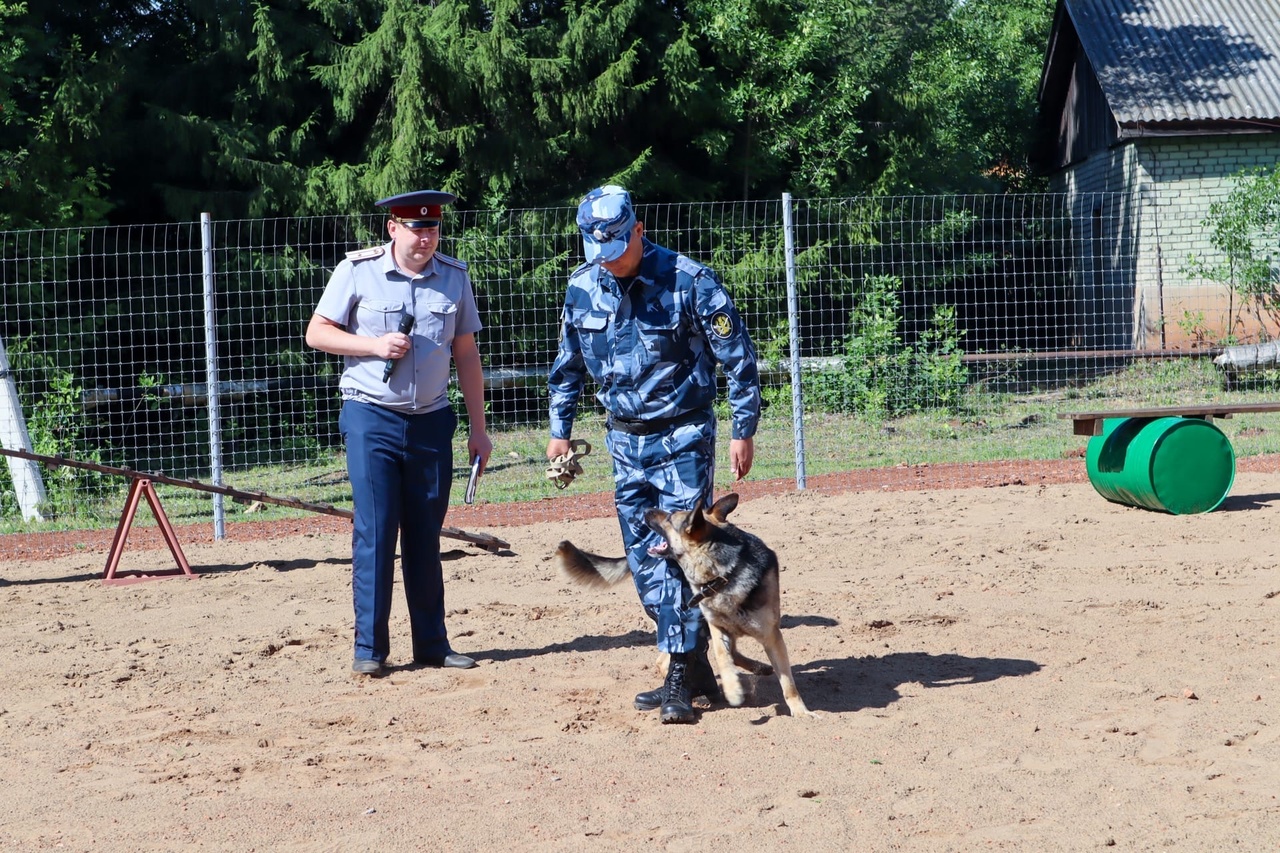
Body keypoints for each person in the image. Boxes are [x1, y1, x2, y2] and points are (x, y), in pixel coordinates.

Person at [546, 184, 763, 723]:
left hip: (683, 436)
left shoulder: (689, 281)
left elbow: (737, 358)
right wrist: (560, 428)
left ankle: (676, 683)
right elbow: (568, 364)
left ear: (639, 230)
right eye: (600, 251)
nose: (611, 260)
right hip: (624, 442)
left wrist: (744, 427)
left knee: (685, 558)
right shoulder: (582, 287)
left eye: (619, 247)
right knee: (645, 564)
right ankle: (697, 674)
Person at [306, 189, 493, 678]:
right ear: (393, 228)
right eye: (415, 227)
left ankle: (432, 644)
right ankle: (370, 647)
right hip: (372, 417)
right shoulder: (357, 270)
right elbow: (317, 332)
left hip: (432, 420)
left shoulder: (453, 277)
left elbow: (466, 354)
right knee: (376, 530)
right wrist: (372, 345)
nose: (425, 237)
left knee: (424, 536)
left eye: (432, 228)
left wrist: (479, 428)